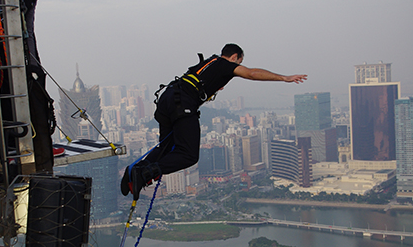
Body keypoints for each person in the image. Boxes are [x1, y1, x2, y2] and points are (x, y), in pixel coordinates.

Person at [121, 43, 307, 200]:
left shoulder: (208, 62)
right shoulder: (225, 64)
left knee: (166, 147)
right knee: (188, 155)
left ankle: (133, 172)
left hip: (167, 99)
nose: (238, 67)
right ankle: (144, 173)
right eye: (239, 62)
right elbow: (251, 73)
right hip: (183, 104)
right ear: (234, 57)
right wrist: (284, 78)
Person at [17, 0, 62, 172]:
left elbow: (29, 32)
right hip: (11, 65)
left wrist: (35, 66)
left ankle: (40, 163)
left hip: (23, 64)